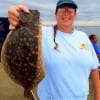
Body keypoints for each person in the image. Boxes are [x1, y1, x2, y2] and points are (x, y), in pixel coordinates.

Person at [8, 0, 100, 100]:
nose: (66, 12)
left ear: (75, 14)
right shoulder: (42, 33)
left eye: (70, 9)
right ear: (55, 14)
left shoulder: (83, 37)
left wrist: (98, 96)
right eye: (61, 9)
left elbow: (94, 68)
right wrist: (15, 14)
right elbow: (19, 27)